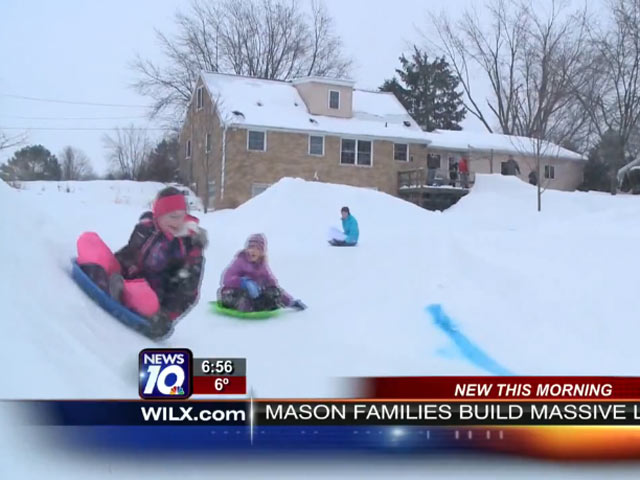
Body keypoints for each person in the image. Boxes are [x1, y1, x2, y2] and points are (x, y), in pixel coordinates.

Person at [76, 186, 207, 336]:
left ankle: (111, 286)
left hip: (153, 297)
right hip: (123, 276)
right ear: (159, 215)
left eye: (181, 216)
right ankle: (110, 281)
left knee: (144, 298)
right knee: (89, 239)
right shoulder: (146, 228)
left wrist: (166, 316)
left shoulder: (188, 247)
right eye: (172, 216)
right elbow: (130, 252)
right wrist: (113, 263)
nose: (178, 222)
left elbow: (187, 292)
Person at [218, 234, 306, 312]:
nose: (252, 251)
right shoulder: (240, 261)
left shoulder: (262, 267)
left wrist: (290, 302)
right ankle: (248, 306)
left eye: (257, 248)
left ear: (262, 252)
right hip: (232, 293)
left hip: (253, 295)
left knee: (272, 292)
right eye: (250, 247)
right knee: (243, 300)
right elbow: (226, 279)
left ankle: (260, 305)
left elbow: (273, 285)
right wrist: (242, 282)